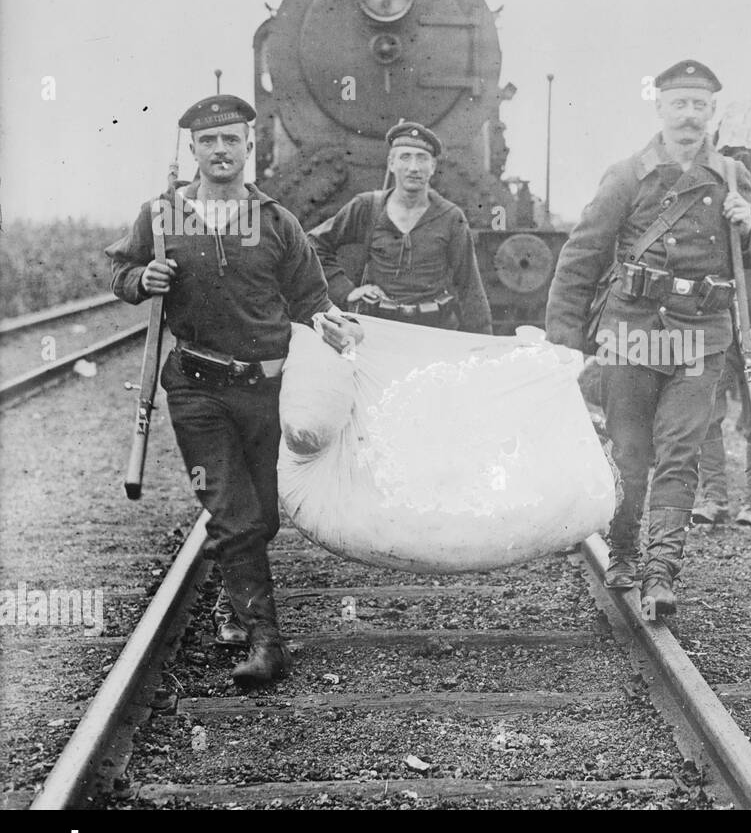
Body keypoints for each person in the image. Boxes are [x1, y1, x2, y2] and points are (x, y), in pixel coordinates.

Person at [106, 94, 363, 686]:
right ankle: (265, 641)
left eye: (229, 141)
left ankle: (236, 592)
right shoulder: (162, 215)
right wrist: (142, 278)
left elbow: (311, 299)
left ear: (249, 146)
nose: (219, 151)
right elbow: (119, 270)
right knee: (233, 511)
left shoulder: (276, 220)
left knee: (264, 514)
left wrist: (331, 324)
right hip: (197, 389)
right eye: (207, 142)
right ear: (192, 150)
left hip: (267, 392)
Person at [544, 60, 751, 619]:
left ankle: (662, 572)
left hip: (700, 336)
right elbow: (581, 255)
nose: (690, 115)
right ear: (660, 109)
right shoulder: (628, 174)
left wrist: (747, 225)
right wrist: (563, 341)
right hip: (633, 335)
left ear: (712, 113)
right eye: (679, 104)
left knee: (681, 453)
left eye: (700, 105)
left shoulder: (732, 177)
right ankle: (623, 548)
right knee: (630, 452)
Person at [308, 121, 493, 333]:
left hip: (433, 331)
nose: (413, 167)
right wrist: (346, 291)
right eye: (405, 157)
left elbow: (470, 287)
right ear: (391, 163)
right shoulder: (368, 207)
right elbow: (313, 244)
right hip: (377, 331)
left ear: (432, 167)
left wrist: (483, 345)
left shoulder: (451, 217)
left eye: (422, 158)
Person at [694, 109, 751, 528]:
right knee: (706, 413)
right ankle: (714, 498)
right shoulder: (705, 195)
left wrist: (747, 221)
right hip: (716, 325)